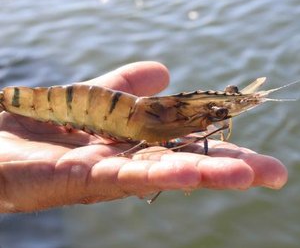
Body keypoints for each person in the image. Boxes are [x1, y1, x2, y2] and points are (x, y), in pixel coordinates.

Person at [0, 61, 287, 213]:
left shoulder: (186, 114)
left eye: (217, 112)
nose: (219, 116)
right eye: (218, 111)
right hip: (69, 109)